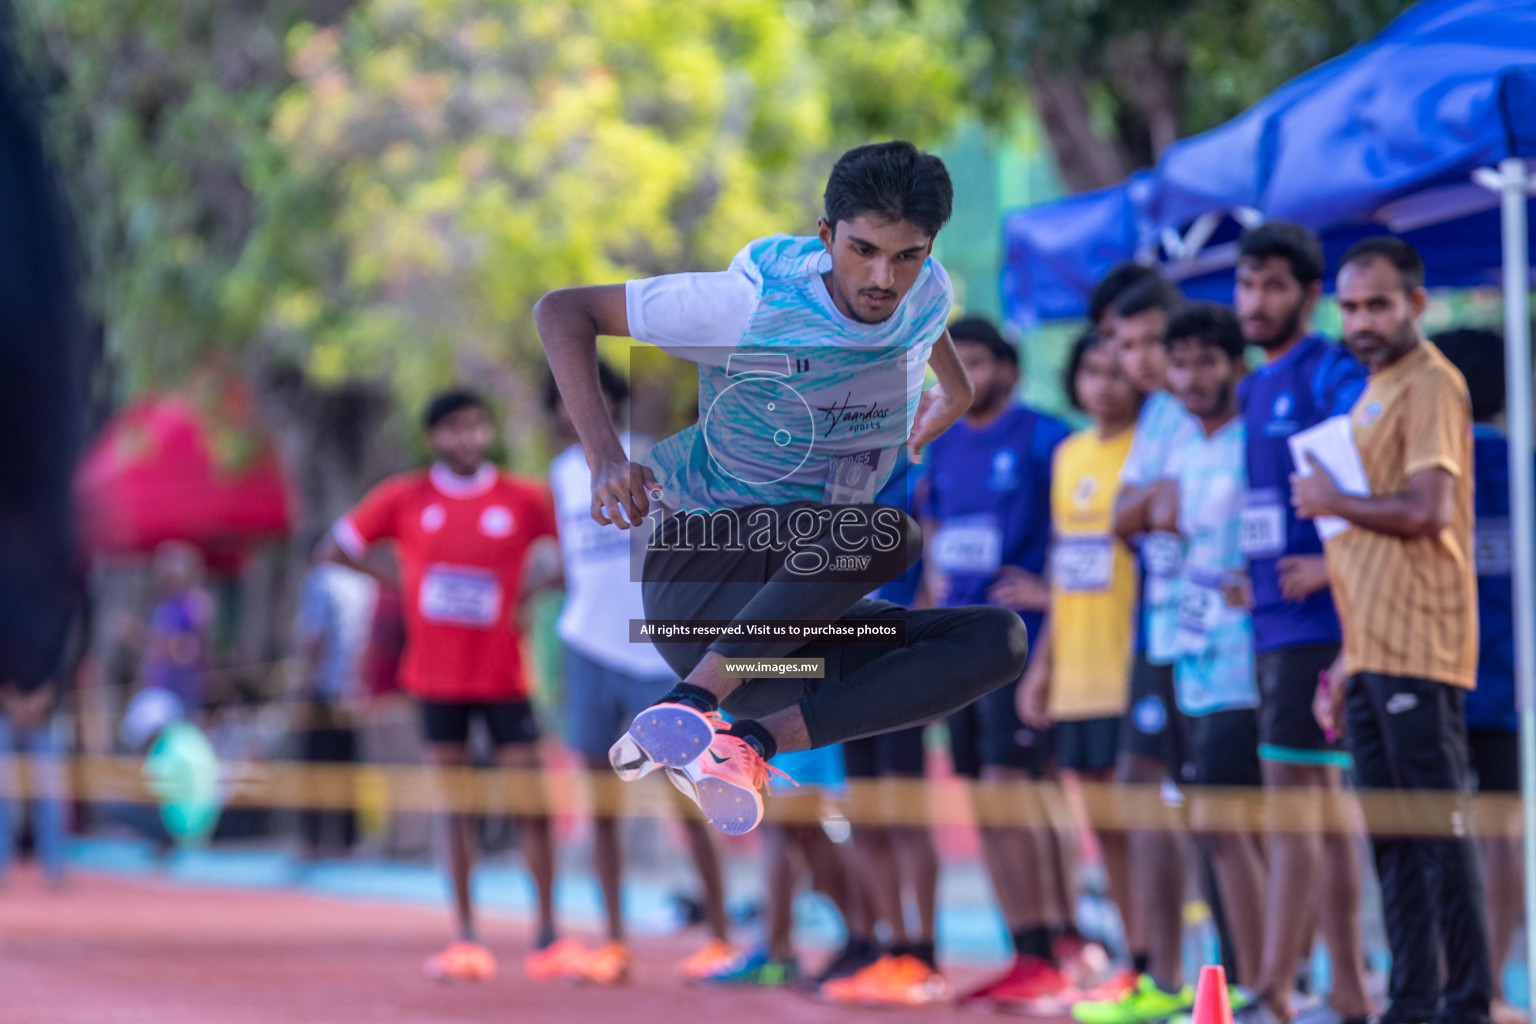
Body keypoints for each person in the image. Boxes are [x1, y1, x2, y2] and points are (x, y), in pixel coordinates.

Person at [535, 140, 1029, 840]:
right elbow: (563, 312)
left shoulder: (928, 288)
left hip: (784, 637)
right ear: (825, 237)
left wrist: (957, 388)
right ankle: (690, 703)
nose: (882, 278)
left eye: (906, 256)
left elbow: (922, 317)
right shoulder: (748, 303)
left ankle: (746, 747)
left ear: (930, 249)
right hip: (703, 581)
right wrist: (606, 460)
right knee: (893, 534)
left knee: (998, 640)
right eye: (861, 251)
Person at [1304, 238, 1493, 1024]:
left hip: (1422, 647)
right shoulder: (1376, 388)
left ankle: (1468, 1002)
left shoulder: (1432, 383)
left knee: (1439, 838)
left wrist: (1329, 500)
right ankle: (1412, 1001)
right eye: (1349, 307)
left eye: (1378, 304)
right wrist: (1348, 659)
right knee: (1391, 841)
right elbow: (1368, 547)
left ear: (1417, 304)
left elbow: (1426, 513)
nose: (1361, 321)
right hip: (1375, 650)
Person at [327, 389, 572, 983]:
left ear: (487, 434)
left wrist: (531, 595)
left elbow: (579, 552)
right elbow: (335, 548)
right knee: (454, 808)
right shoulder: (405, 497)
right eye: (453, 429)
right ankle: (465, 935)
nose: (466, 439)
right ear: (434, 437)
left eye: (476, 427)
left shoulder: (522, 498)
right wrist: (401, 578)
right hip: (435, 679)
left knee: (529, 805)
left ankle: (547, 933)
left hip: (505, 677)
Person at [919, 316, 1100, 1009]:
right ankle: (1023, 949)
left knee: (1023, 790)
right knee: (985, 797)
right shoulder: (938, 441)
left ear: (1010, 370)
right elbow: (936, 534)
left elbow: (1080, 526)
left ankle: (1059, 943)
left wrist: (1048, 591)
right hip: (958, 644)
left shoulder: (1047, 437)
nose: (962, 375)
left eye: (976, 362)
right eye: (951, 362)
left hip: (1022, 641)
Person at [543, 363, 737, 985]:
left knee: (688, 794)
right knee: (600, 806)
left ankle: (720, 937)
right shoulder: (560, 475)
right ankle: (614, 942)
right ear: (558, 410)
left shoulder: (651, 461)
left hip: (654, 652)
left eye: (598, 398)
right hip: (588, 648)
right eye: (571, 401)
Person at [1230, 221, 1372, 1024]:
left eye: (1274, 286)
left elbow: (1373, 453)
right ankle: (1345, 989)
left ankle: (1277, 991)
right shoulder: (1257, 385)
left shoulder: (1328, 372)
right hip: (1273, 624)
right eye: (1247, 285)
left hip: (1319, 625)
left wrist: (1333, 563)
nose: (1256, 301)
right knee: (1317, 811)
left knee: (1302, 810)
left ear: (1310, 296)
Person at [1019, 327, 1146, 1015]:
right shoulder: (1069, 455)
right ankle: (1133, 961)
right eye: (1091, 370)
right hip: (1077, 675)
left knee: (1151, 833)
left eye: (1116, 370)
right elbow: (1066, 572)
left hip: (1136, 671)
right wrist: (1042, 669)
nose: (1103, 383)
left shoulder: (1153, 446)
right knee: (1107, 837)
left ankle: (1170, 963)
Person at [1094, 269, 1201, 1023]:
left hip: (1223, 645)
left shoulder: (1221, 408)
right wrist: (1154, 506)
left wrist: (1159, 506)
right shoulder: (1157, 417)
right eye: (1121, 346)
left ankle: (1256, 980)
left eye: (1146, 342)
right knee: (1140, 796)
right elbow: (1125, 517)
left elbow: (1167, 509)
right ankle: (1162, 975)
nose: (1135, 360)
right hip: (1159, 634)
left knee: (1225, 815)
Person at [1156, 303, 1267, 990]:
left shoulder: (1255, 442)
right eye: (1182, 362)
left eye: (1207, 360)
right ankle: (1239, 981)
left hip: (1247, 666)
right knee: (1212, 831)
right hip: (1189, 656)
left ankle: (1262, 984)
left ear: (1236, 365)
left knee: (1234, 830)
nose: (1192, 377)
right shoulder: (1182, 445)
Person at [1433, 328, 1525, 1024]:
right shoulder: (1521, 462)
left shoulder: (1436, 466)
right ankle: (1487, 986)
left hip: (1441, 674)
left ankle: (1454, 985)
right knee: (1500, 836)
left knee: (1441, 833)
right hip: (1510, 687)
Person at [828, 454, 942, 1004]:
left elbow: (935, 570)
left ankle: (924, 953)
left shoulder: (919, 470)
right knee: (867, 814)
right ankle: (892, 950)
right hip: (843, 664)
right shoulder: (824, 472)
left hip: (899, 662)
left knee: (905, 814)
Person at [705, 744, 855, 989]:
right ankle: (777, 950)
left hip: (797, 718)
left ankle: (859, 940)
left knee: (799, 823)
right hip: (760, 713)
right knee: (778, 822)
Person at [293, 541, 371, 860]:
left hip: (324, 690)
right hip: (354, 691)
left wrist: (305, 683)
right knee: (348, 766)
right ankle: (348, 841)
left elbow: (316, 637)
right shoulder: (364, 584)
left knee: (315, 766)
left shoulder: (322, 581)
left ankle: (314, 841)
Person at [141, 541, 214, 714]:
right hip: (159, 685)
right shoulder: (160, 604)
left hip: (184, 689)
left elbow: (189, 649)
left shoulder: (192, 603)